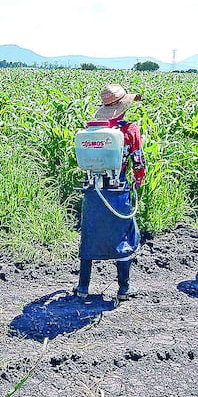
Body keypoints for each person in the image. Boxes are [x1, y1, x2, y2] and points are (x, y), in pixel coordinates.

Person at [74, 83, 146, 300]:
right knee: (123, 234)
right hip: (117, 189)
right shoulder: (129, 130)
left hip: (93, 190)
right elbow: (138, 161)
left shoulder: (90, 131)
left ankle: (83, 288)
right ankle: (124, 288)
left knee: (90, 234)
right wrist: (138, 180)